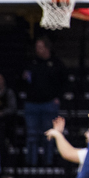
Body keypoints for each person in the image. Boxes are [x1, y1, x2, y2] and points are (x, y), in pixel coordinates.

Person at [22, 38, 66, 166]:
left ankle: (48, 162)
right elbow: (23, 80)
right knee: (32, 136)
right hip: (31, 104)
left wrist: (58, 97)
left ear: (47, 48)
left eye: (40, 47)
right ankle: (31, 163)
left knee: (49, 135)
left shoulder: (56, 63)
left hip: (49, 104)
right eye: (36, 47)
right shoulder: (31, 62)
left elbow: (64, 82)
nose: (37, 50)